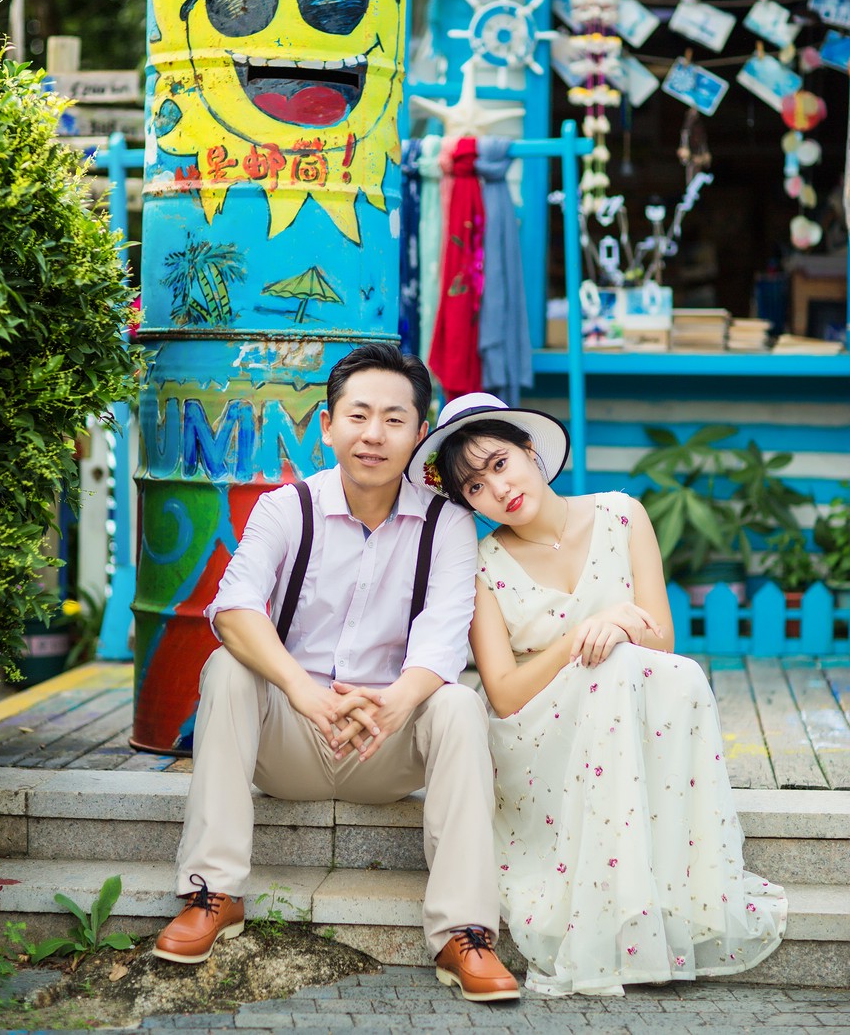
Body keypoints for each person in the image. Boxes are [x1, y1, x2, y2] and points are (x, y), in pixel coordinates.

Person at [153, 347, 520, 1004]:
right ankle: (214, 894)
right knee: (228, 666)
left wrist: (393, 703)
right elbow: (233, 608)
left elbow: (442, 639)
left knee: (460, 705)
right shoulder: (285, 508)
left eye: (394, 420)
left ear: (419, 433)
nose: (373, 434)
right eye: (358, 415)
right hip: (292, 738)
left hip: (387, 742)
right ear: (327, 425)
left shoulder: (448, 524)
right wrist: (303, 692)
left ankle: (463, 932)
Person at [407, 393, 787, 998]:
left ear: (530, 450)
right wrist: (583, 636)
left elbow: (662, 639)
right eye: (475, 487)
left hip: (631, 713)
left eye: (500, 464)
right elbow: (503, 695)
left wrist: (619, 633)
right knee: (607, 669)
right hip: (541, 739)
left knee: (673, 673)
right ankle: (615, 907)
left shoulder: (622, 515)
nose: (498, 490)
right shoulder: (482, 566)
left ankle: (651, 897)